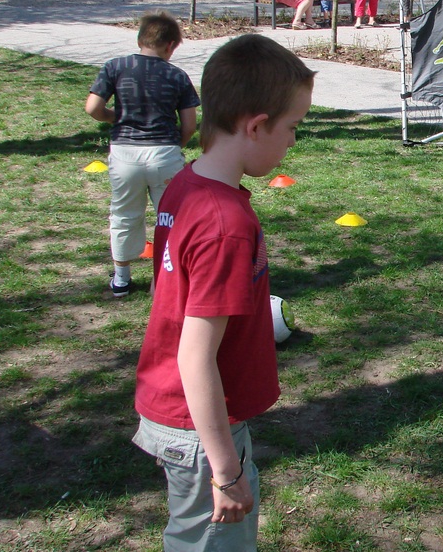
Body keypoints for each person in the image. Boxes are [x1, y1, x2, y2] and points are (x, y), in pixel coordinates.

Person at [131, 34, 315, 551]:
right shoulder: (225, 223)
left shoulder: (185, 186)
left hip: (187, 416)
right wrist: (226, 471)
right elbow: (195, 356)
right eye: (292, 128)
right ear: (256, 126)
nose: (292, 142)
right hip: (201, 431)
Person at [85, 12, 200, 298]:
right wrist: (175, 146)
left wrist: (115, 117)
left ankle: (122, 279)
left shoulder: (115, 67)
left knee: (124, 215)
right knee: (171, 217)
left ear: (140, 39)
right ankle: (164, 278)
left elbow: (92, 108)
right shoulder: (177, 75)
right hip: (164, 154)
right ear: (171, 45)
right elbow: (189, 124)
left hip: (125, 153)